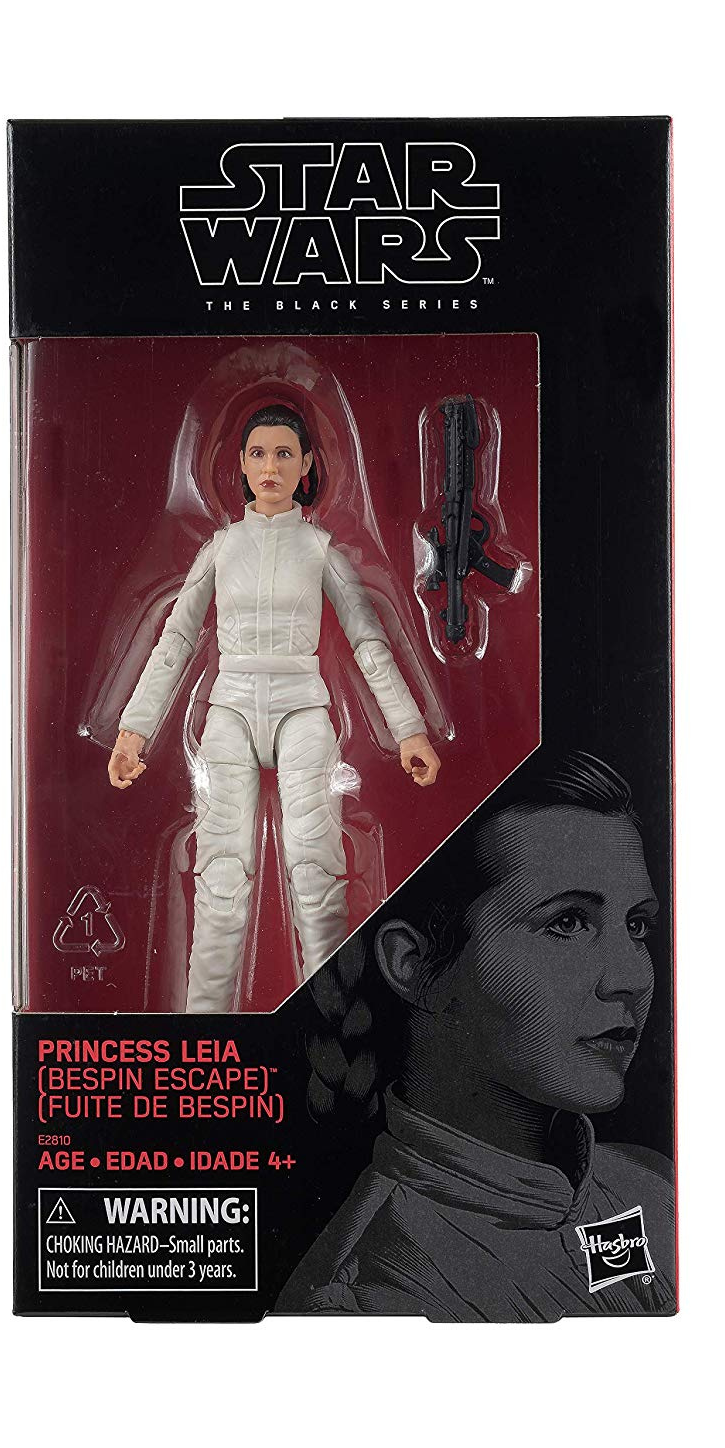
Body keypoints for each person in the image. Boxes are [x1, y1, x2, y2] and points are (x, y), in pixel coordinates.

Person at [277, 750, 676, 1321]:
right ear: (412, 964)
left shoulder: (650, 1188)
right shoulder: (369, 1297)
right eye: (567, 922)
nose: (632, 977)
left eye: (637, 925)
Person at [107, 404, 441, 1014]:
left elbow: (368, 640)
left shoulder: (320, 550)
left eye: (284, 454)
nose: (271, 467)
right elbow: (176, 639)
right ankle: (207, 1031)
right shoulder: (220, 549)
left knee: (316, 875)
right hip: (230, 711)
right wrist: (134, 730)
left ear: (307, 464)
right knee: (220, 881)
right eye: (258, 454)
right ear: (240, 463)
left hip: (303, 710)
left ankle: (332, 1029)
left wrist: (409, 731)